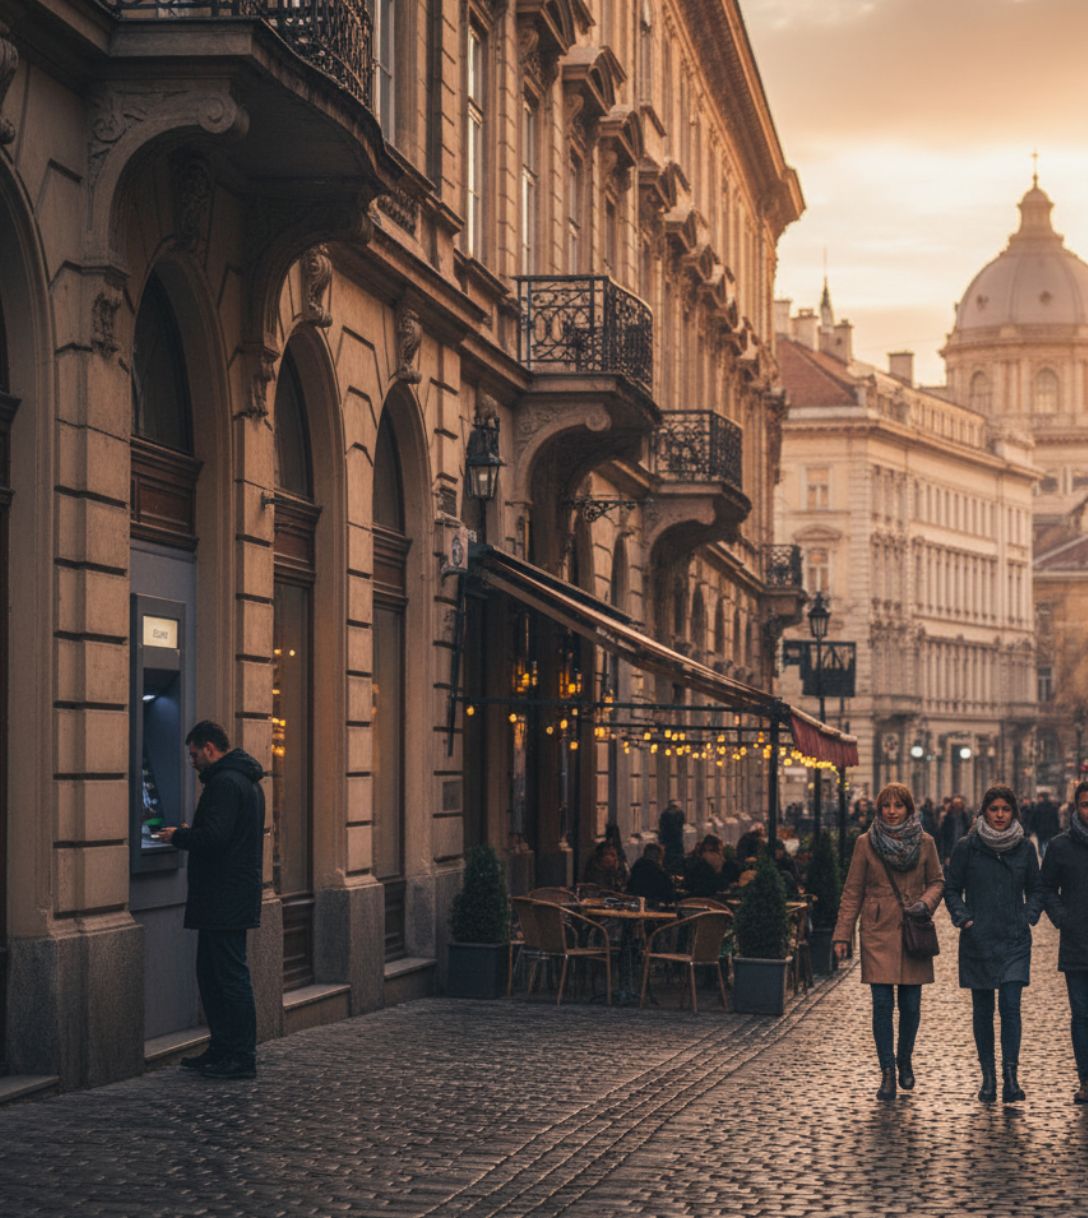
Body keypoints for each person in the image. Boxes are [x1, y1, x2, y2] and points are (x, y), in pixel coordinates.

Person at [160, 721, 265, 1080]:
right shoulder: (245, 781)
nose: (191, 762)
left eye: (193, 755)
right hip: (231, 894)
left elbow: (216, 838)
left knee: (228, 976)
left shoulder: (225, 783)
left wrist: (180, 836)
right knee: (214, 973)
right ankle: (223, 1049)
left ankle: (239, 1055)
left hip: (224, 896)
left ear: (209, 748)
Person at [832, 782, 944, 1101]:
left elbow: (937, 881)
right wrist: (842, 934)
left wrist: (926, 902)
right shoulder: (865, 843)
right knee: (882, 1005)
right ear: (879, 809)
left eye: (898, 806)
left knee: (910, 1006)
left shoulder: (925, 842)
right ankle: (887, 1072)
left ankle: (904, 1057)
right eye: (886, 806)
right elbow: (852, 890)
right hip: (878, 929)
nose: (892, 811)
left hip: (913, 930)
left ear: (909, 809)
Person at [944, 786, 1041, 1104]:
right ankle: (988, 1078)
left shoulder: (1025, 849)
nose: (1000, 815)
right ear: (984, 811)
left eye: (1005, 809)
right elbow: (952, 888)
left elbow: (1037, 889)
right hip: (978, 938)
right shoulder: (967, 847)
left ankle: (1011, 1076)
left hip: (1014, 938)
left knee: (1011, 1008)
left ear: (1014, 813)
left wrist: (1027, 914)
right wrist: (964, 918)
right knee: (983, 1010)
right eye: (994, 809)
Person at [1039, 779, 1088, 1104]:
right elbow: (1045, 889)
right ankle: (1085, 1079)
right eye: (1085, 804)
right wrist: (1063, 919)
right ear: (1076, 807)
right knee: (1082, 1015)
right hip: (1078, 943)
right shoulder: (1060, 846)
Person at [683, 834, 740, 898]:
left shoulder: (728, 866)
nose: (720, 857)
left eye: (720, 853)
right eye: (715, 852)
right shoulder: (698, 868)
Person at [626, 842, 676, 907]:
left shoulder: (637, 867)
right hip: (654, 905)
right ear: (658, 856)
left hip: (635, 903)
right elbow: (669, 890)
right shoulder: (658, 872)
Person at [939, 795, 971, 865]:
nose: (958, 806)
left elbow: (968, 834)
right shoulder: (948, 818)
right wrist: (945, 856)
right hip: (951, 851)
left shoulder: (965, 818)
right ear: (953, 805)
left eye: (959, 803)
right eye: (956, 804)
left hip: (963, 851)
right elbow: (943, 838)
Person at [658, 800, 686, 873]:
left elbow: (662, 828)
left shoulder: (665, 814)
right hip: (676, 843)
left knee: (668, 862)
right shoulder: (680, 814)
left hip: (668, 843)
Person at [1034, 794, 1061, 859]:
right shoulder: (1053, 808)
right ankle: (1047, 858)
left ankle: (1043, 857)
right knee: (1048, 845)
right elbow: (1056, 820)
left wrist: (1034, 829)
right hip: (1050, 830)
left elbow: (1034, 819)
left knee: (1041, 846)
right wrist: (1057, 829)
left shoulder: (1038, 807)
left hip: (1040, 830)